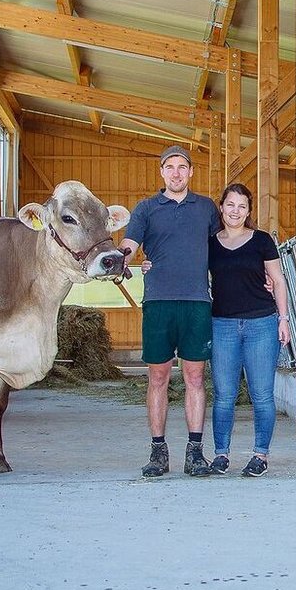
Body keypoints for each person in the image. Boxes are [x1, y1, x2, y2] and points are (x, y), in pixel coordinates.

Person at [120, 144, 221, 478]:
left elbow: (223, 249)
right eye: (170, 167)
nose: (176, 173)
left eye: (182, 167)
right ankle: (158, 451)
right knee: (158, 377)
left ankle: (195, 453)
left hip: (196, 303)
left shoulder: (206, 208)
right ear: (161, 172)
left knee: (194, 377)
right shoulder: (147, 209)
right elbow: (129, 245)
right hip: (159, 302)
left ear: (191, 172)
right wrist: (119, 258)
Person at [207, 182, 290, 478]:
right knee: (224, 395)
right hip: (222, 325)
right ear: (221, 207)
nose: (235, 211)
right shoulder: (210, 242)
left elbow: (277, 280)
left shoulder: (262, 240)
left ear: (249, 211)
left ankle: (260, 455)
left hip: (261, 324)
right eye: (230, 204)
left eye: (242, 206)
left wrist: (284, 319)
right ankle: (220, 454)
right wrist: (152, 265)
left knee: (262, 395)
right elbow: (188, 270)